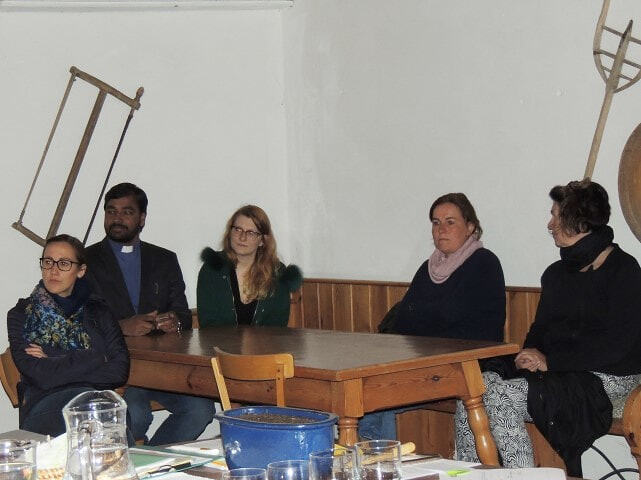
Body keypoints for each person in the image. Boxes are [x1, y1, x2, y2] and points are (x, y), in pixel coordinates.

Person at [455, 179, 641, 477]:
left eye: (556, 216)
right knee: (475, 389)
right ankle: (471, 475)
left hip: (611, 376)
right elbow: (541, 328)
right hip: (561, 370)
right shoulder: (556, 274)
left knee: (501, 398)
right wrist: (530, 353)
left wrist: (550, 361)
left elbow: (617, 346)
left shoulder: (624, 270)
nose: (549, 224)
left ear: (580, 223)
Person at [359, 193, 506, 440]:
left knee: (381, 395)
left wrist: (426, 344)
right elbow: (404, 322)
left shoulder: (484, 264)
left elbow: (483, 332)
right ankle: (374, 457)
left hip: (466, 366)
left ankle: (381, 459)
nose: (441, 229)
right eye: (436, 223)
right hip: (423, 364)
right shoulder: (428, 269)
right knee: (367, 390)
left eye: (450, 222)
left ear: (470, 227)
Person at [85, 182, 214, 445]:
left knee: (201, 410)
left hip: (160, 369)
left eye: (127, 212)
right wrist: (121, 326)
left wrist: (175, 321)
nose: (117, 218)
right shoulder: (86, 261)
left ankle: (154, 460)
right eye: (111, 211)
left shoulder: (164, 259)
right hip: (113, 371)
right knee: (136, 415)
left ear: (142, 218)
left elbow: (183, 313)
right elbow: (80, 320)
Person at [8, 234, 129, 437]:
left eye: (64, 263)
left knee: (107, 414)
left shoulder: (99, 311)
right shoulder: (22, 314)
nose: (53, 270)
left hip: (96, 400)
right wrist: (97, 356)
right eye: (48, 262)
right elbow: (41, 376)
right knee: (100, 417)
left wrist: (53, 356)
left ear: (81, 271)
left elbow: (119, 371)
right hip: (45, 404)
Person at [197, 205, 302, 327]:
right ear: (230, 232)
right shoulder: (212, 268)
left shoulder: (277, 273)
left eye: (251, 232)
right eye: (238, 229)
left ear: (262, 240)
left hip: (267, 340)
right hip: (220, 340)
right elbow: (208, 323)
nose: (242, 237)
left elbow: (278, 326)